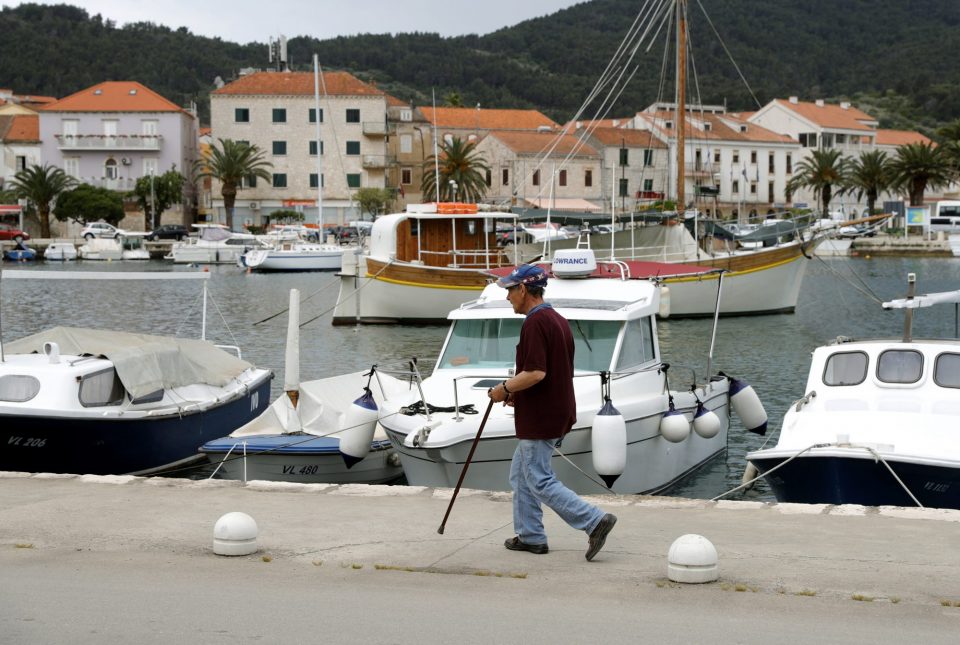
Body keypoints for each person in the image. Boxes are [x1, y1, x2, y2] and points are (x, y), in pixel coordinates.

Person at [488, 263, 616, 561]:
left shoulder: (535, 323)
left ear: (522, 289)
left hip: (542, 418)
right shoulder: (556, 319)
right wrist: (519, 398)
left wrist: (504, 389)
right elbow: (550, 373)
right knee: (521, 475)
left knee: (537, 478)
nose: (507, 297)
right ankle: (531, 536)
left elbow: (535, 373)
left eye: (510, 290)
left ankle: (594, 521)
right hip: (553, 410)